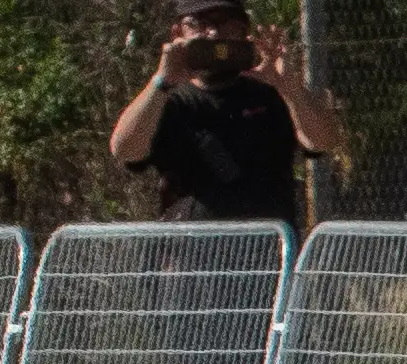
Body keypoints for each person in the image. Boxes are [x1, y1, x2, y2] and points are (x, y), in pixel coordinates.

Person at [109, 1, 344, 225]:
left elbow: (323, 141)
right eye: (198, 24)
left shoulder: (272, 94)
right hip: (189, 253)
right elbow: (124, 150)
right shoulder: (166, 101)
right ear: (177, 33)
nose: (213, 33)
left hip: (264, 254)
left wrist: (288, 85)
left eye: (226, 24)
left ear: (244, 32)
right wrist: (161, 82)